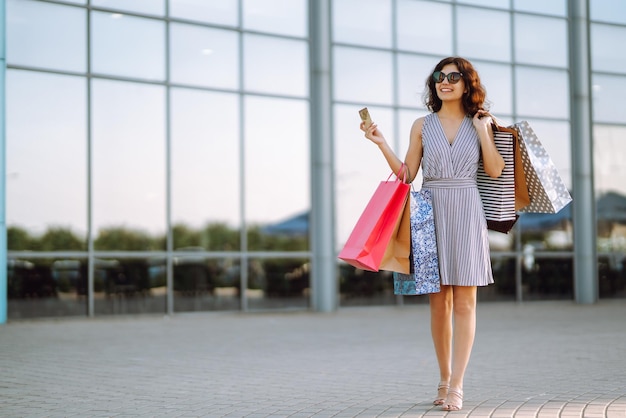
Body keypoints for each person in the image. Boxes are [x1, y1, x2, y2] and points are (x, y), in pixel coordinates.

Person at [361, 56, 504, 411]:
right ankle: (443, 377)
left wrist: (485, 132)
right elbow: (407, 175)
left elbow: (496, 170)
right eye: (440, 76)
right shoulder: (422, 125)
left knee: (466, 301)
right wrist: (381, 143)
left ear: (467, 83)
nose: (445, 81)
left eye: (454, 76)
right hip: (430, 210)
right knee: (439, 303)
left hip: (467, 209)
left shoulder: (481, 123)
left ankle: (457, 384)